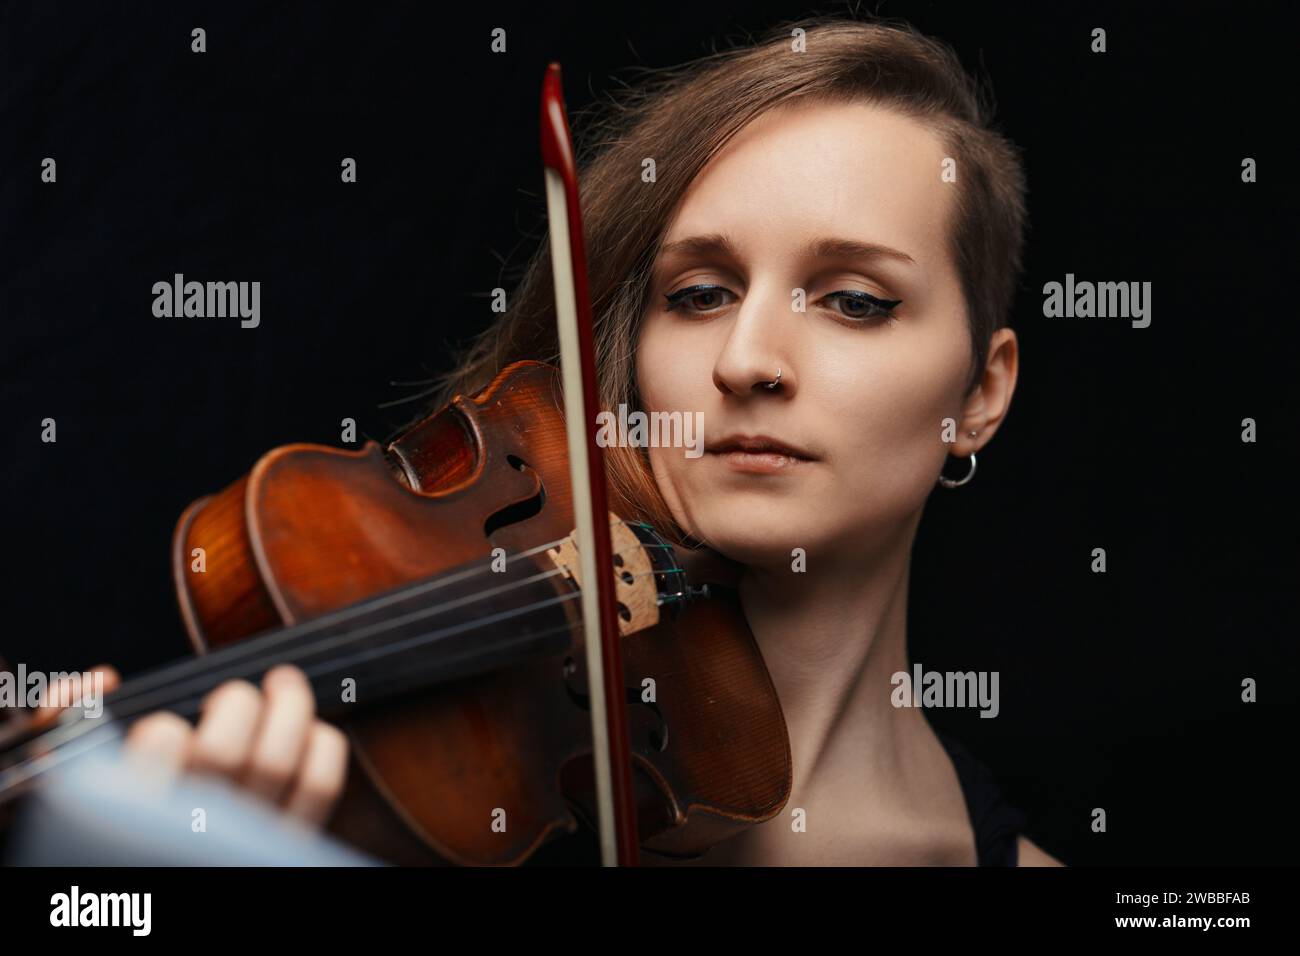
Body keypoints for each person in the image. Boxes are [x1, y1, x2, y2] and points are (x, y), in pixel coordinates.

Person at [41, 15, 1062, 866]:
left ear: (980, 390)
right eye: (698, 293)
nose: (749, 359)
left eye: (852, 300)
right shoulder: (464, 808)